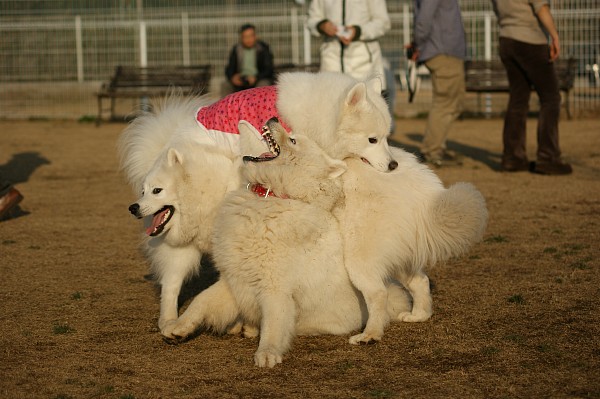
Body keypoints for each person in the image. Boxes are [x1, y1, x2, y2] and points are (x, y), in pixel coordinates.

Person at [492, 0, 572, 174]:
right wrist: (554, 36)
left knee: (518, 100)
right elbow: (541, 8)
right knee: (551, 98)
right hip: (530, 41)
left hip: (506, 40)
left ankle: (513, 158)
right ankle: (548, 158)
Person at [409, 0, 466, 167]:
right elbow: (423, 20)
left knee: (453, 103)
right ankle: (432, 151)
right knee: (445, 104)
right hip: (443, 51)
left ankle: (435, 147)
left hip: (445, 51)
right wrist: (418, 45)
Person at [307, 0, 391, 93]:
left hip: (365, 64)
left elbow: (383, 22)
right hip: (331, 61)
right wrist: (321, 26)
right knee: (329, 102)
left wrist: (358, 32)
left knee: (367, 104)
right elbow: (312, 19)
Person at [224, 23, 274, 93]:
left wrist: (256, 78)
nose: (248, 39)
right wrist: (233, 77)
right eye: (245, 37)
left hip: (258, 79)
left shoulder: (263, 48)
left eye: (251, 36)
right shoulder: (236, 49)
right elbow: (229, 68)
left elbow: (268, 69)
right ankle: (228, 104)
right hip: (241, 80)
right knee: (226, 85)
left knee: (263, 85)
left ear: (255, 36)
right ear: (241, 38)